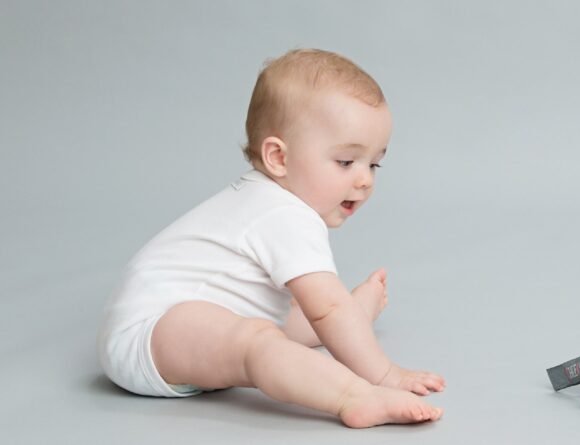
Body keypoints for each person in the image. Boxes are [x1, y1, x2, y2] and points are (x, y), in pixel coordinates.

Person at [97, 49, 445, 428]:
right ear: (278, 157)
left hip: (193, 328)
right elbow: (326, 308)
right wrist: (384, 375)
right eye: (346, 162)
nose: (364, 180)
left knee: (280, 318)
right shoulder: (282, 213)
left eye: (374, 164)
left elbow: (314, 310)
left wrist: (343, 317)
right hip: (147, 336)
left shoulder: (268, 199)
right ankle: (353, 396)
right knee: (261, 337)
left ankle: (353, 323)